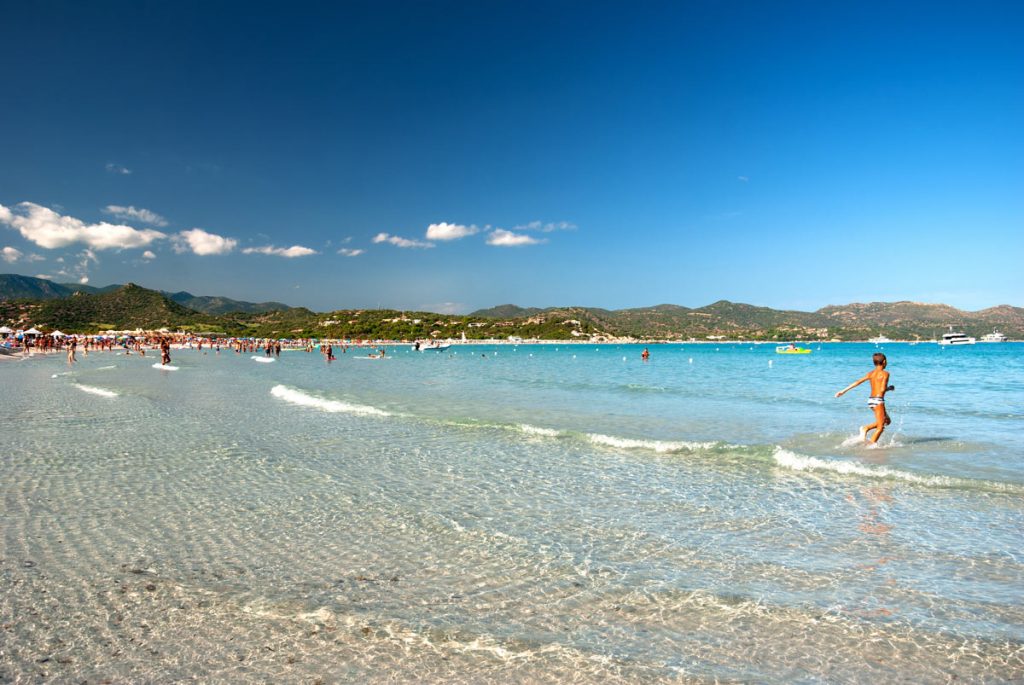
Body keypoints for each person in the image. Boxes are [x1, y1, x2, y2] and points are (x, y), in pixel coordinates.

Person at [836, 352, 893, 444]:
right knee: (881, 427)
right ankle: (871, 446)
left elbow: (858, 382)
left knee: (887, 421)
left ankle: (866, 428)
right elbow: (882, 389)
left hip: (871, 401)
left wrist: (843, 391)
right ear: (884, 362)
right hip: (878, 401)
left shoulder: (871, 373)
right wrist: (889, 388)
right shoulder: (885, 373)